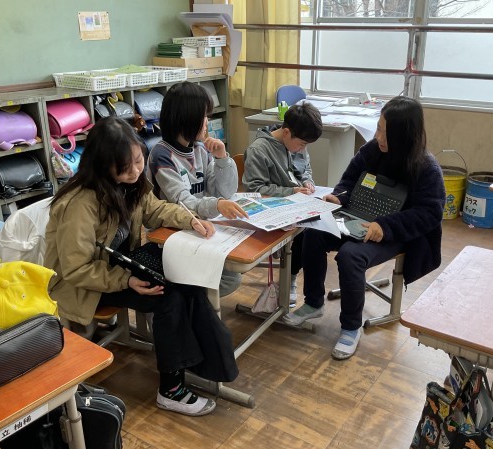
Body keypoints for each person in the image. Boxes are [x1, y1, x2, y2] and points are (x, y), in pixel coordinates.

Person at [44, 116, 238, 416]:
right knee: (169, 297)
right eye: (126, 166)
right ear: (102, 164)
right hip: (85, 284)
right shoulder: (79, 204)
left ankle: (204, 365)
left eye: (138, 160)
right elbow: (76, 269)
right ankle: (171, 390)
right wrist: (126, 280)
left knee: (187, 280)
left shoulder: (129, 186)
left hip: (122, 264)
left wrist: (190, 220)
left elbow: (155, 209)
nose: (136, 171)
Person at [282, 96, 445, 360]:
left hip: (395, 232)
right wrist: (339, 198)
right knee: (313, 233)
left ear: (404, 135)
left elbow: (429, 213)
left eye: (385, 132)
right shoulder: (372, 150)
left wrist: (386, 226)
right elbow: (348, 181)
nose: (378, 136)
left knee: (351, 255)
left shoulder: (426, 167)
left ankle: (350, 327)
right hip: (357, 216)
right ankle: (313, 302)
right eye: (378, 128)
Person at [148, 81, 248, 298]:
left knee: (232, 274)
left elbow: (225, 192)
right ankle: (187, 302)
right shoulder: (161, 155)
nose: (207, 122)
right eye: (204, 116)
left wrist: (222, 158)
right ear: (188, 117)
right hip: (172, 234)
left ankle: (190, 302)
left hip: (200, 227)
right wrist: (217, 204)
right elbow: (182, 203)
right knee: (226, 277)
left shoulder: (200, 149)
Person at [242, 103, 323, 306]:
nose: (303, 149)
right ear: (286, 132)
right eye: (302, 144)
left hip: (295, 204)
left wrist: (307, 181)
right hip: (270, 209)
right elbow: (255, 190)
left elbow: (306, 168)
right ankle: (290, 279)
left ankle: (291, 277)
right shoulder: (259, 150)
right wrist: (291, 192)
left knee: (315, 228)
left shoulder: (297, 142)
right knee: (306, 231)